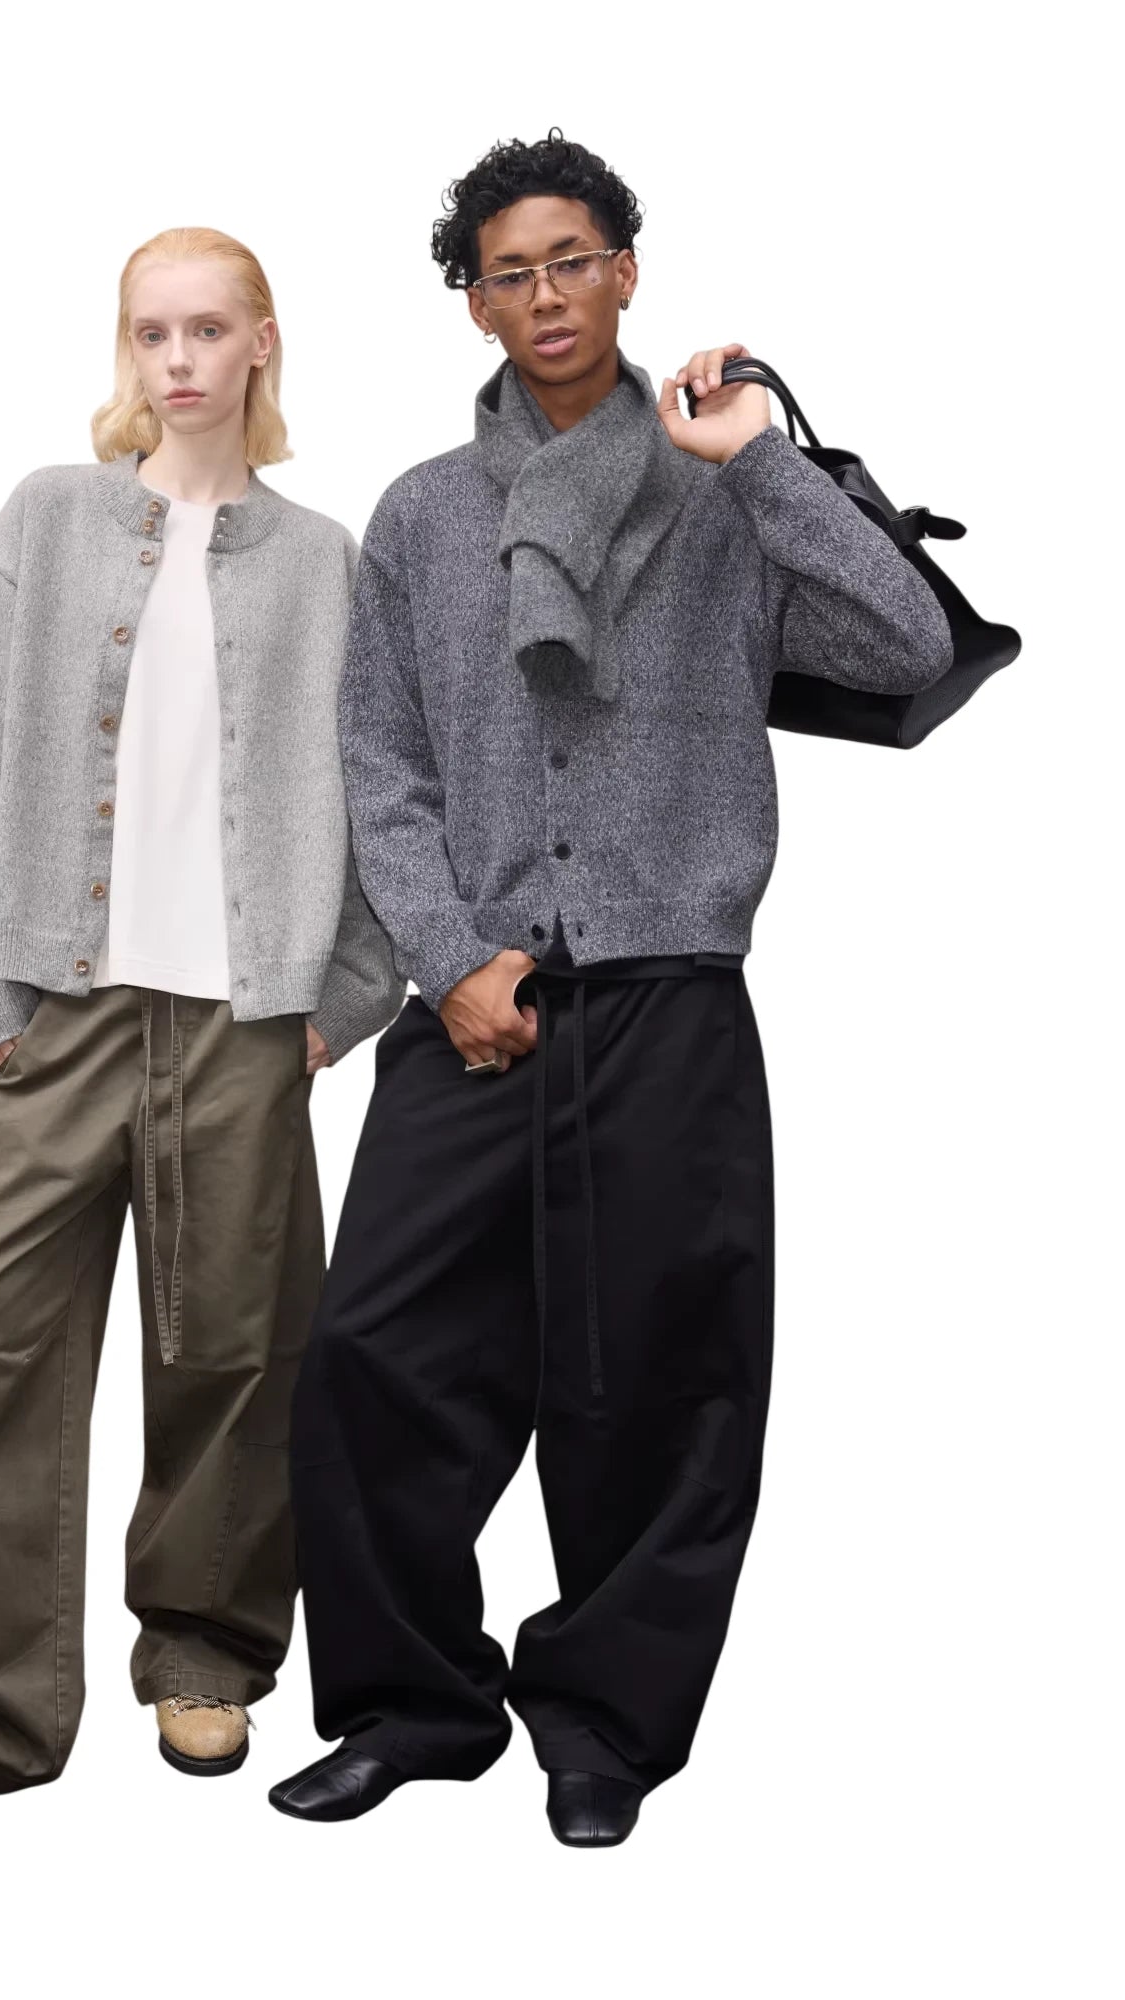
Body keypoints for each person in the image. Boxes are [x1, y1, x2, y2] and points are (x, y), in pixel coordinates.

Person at [270, 131, 956, 1847]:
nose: (547, 294)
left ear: (628, 271)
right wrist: (452, 961)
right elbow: (383, 766)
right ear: (474, 306)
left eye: (572, 259)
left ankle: (605, 1726)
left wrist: (762, 461)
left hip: (673, 997)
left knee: (662, 1375)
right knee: (371, 1358)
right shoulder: (424, 516)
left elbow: (909, 645)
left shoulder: (721, 487)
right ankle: (415, 1707)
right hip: (476, 1004)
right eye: (509, 272)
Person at [0, 226, 403, 1837]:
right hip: (62, 1011)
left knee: (233, 1356)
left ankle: (206, 1653)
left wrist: (342, 999)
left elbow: (379, 777)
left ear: (261, 340)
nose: (179, 360)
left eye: (208, 329)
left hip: (244, 1020)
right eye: (153, 332)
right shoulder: (51, 518)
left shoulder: (325, 561)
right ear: (128, 349)